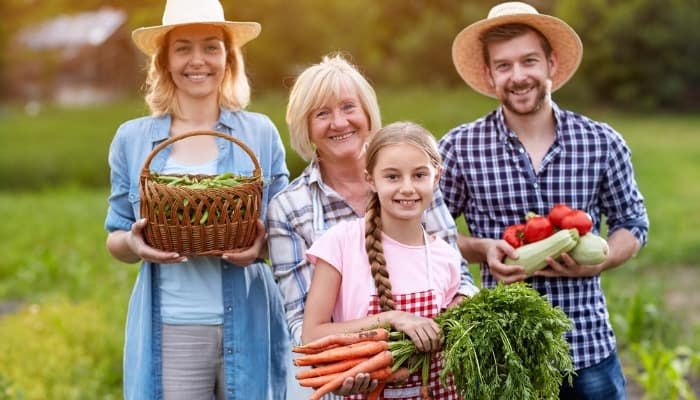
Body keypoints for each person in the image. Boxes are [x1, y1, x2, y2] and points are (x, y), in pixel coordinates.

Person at [440, 2, 649, 399]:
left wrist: (601, 259)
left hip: (586, 348)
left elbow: (634, 223)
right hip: (503, 355)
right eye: (503, 66)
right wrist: (482, 249)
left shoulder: (601, 142)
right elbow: (427, 236)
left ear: (551, 63)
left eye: (529, 61)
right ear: (489, 74)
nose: (518, 77)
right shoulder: (458, 148)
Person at [104, 0, 289, 399]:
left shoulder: (259, 133)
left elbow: (286, 228)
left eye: (211, 46)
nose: (198, 60)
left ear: (228, 57)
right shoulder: (133, 139)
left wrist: (259, 247)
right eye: (183, 47)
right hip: (173, 325)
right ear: (165, 61)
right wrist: (135, 244)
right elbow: (116, 235)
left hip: (249, 318)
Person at [266, 54, 478, 399]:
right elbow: (303, 323)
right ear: (305, 126)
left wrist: (437, 332)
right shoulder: (290, 209)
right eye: (322, 113)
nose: (339, 122)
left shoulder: (414, 185)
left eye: (349, 107)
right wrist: (362, 362)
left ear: (367, 113)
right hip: (342, 377)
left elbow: (459, 280)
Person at [302, 121, 462, 399]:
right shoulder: (341, 243)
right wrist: (391, 318)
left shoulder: (444, 256)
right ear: (370, 180)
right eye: (392, 177)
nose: (407, 188)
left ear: (436, 178)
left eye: (419, 175)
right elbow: (312, 335)